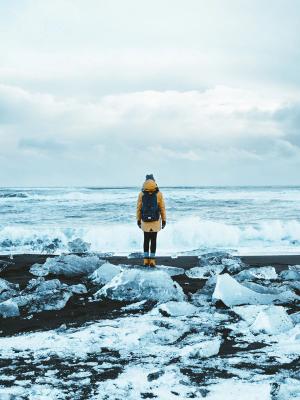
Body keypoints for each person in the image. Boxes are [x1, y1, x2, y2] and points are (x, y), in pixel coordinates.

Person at [136, 174, 166, 266]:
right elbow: (162, 208)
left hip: (145, 221)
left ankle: (145, 260)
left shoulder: (141, 194)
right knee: (153, 240)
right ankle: (152, 260)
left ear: (145, 181)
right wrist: (164, 220)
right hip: (155, 221)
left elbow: (138, 208)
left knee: (146, 239)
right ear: (154, 181)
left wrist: (138, 219)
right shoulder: (159, 194)